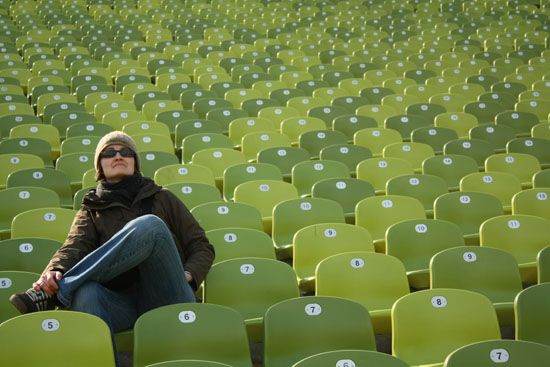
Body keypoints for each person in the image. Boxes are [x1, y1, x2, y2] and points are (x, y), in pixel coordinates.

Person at [10, 131, 215, 359]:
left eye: (126, 152)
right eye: (109, 153)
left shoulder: (162, 197)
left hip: (166, 294)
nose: (118, 156)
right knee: (86, 293)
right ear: (100, 166)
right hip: (120, 303)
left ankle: (59, 293)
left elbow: (201, 245)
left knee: (151, 226)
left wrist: (186, 274)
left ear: (135, 162)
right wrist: (54, 271)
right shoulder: (91, 209)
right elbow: (73, 247)